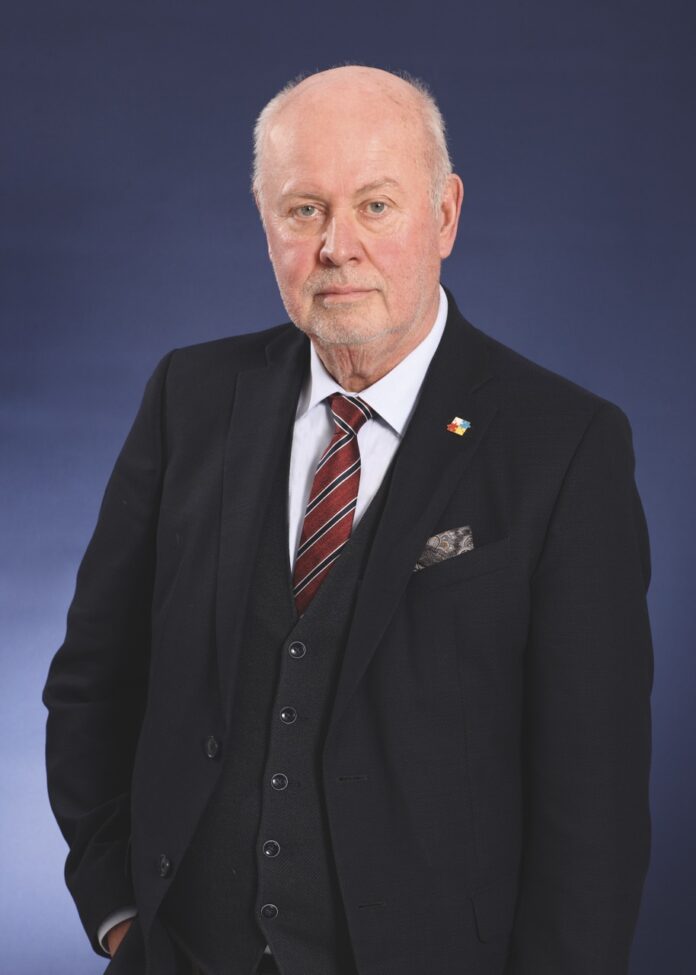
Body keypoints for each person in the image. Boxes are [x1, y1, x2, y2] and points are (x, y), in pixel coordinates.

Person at [43, 65, 653, 975]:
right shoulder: (189, 397)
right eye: (305, 210)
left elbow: (594, 804)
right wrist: (120, 912)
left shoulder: (564, 444)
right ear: (267, 226)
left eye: (375, 205)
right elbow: (93, 680)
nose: (338, 246)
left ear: (444, 215)